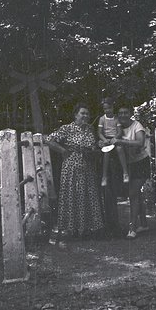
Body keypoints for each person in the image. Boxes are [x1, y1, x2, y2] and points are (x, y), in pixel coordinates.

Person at [46, 103, 104, 244]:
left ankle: (86, 230)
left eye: (87, 114)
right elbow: (49, 140)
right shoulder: (67, 128)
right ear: (75, 115)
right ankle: (71, 230)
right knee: (72, 195)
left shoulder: (90, 129)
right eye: (82, 113)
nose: (85, 116)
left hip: (88, 168)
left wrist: (96, 148)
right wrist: (63, 151)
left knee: (87, 195)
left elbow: (93, 147)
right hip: (71, 167)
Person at [111, 104, 150, 239]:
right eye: (120, 112)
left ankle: (132, 228)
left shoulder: (137, 126)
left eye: (125, 112)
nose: (123, 115)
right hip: (128, 165)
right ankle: (144, 224)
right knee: (136, 194)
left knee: (133, 193)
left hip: (141, 163)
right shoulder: (117, 127)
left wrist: (120, 141)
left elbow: (140, 142)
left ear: (130, 113)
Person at [98, 98, 129, 187]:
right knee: (106, 152)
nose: (107, 110)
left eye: (109, 108)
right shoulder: (102, 119)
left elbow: (119, 132)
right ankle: (104, 176)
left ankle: (125, 172)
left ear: (112, 107)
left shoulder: (116, 119)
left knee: (119, 149)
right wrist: (104, 140)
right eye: (105, 109)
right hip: (106, 139)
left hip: (115, 138)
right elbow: (99, 133)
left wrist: (114, 139)